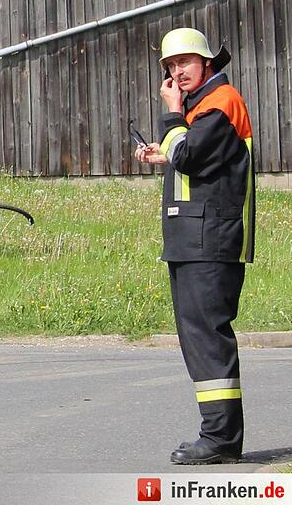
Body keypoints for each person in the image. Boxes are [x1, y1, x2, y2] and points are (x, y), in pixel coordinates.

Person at [134, 27, 255, 466]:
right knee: (200, 340)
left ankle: (220, 439)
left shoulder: (220, 104)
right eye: (170, 65)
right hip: (194, 241)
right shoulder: (202, 109)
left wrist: (171, 117)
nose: (176, 71)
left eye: (185, 62)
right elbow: (192, 159)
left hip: (210, 242)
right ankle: (219, 435)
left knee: (208, 340)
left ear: (207, 63)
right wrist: (166, 149)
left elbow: (189, 155)